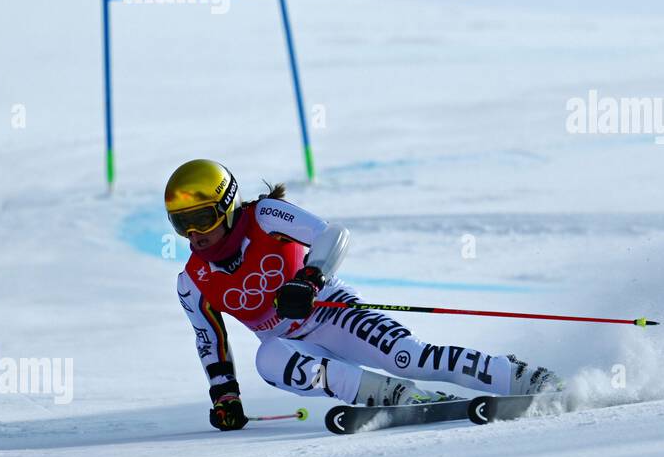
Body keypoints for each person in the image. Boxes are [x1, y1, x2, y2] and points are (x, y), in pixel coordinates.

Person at [165, 159, 562, 431]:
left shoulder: (265, 216)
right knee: (268, 357)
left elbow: (333, 234)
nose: (195, 233)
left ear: (228, 205)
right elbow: (210, 342)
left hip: (332, 313)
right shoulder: (192, 281)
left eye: (203, 218)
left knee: (409, 357)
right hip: (292, 347)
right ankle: (396, 398)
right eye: (182, 223)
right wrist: (225, 397)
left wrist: (310, 279)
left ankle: (521, 376)